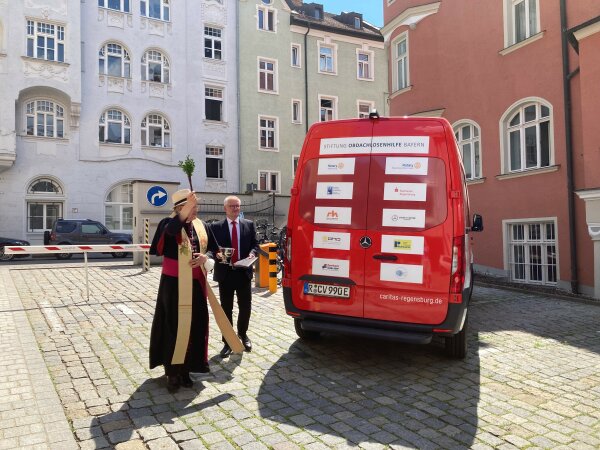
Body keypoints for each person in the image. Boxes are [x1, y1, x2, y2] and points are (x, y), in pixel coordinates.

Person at [148, 189, 218, 390]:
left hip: (196, 284)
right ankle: (172, 372)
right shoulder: (167, 223)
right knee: (174, 326)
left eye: (196, 207)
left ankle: (187, 369)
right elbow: (171, 231)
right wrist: (186, 210)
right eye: (191, 207)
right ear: (180, 208)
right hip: (173, 285)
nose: (196, 211)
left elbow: (215, 248)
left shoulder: (201, 226)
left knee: (195, 325)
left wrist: (207, 257)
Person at [210, 195, 259, 358]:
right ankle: (227, 341)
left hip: (243, 272)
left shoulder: (249, 225)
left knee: (245, 307)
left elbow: (255, 245)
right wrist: (215, 255)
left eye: (237, 206)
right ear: (225, 208)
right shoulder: (215, 227)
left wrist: (252, 254)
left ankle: (243, 335)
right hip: (226, 274)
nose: (235, 209)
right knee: (226, 309)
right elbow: (210, 248)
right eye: (232, 206)